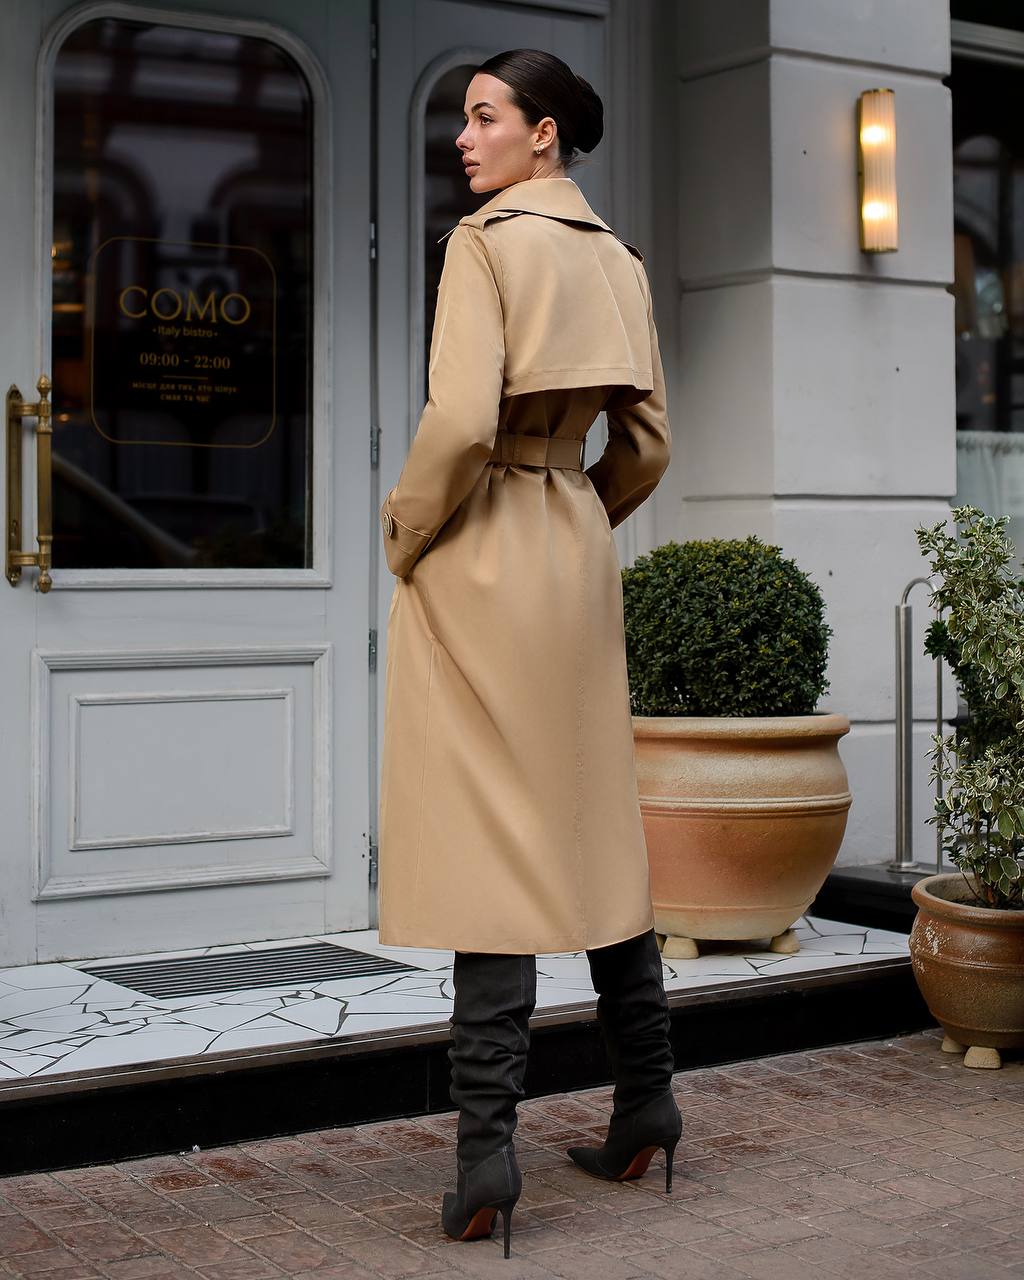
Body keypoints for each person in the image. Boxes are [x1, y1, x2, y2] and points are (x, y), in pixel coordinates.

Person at [377, 47, 679, 1259]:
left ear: (543, 135)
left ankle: (484, 1156)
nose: (465, 137)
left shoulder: (485, 244)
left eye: (485, 116)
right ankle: (645, 1100)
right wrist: (575, 510)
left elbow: (458, 420)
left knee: (486, 841)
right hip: (570, 547)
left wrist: (408, 533)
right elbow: (648, 445)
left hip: (482, 547)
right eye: (464, 117)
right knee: (589, 823)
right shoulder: (618, 260)